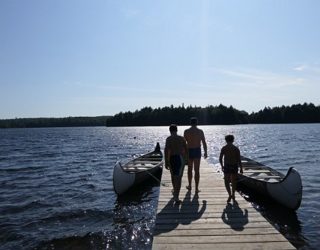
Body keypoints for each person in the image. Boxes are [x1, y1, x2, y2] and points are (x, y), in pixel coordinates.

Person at [165, 124, 188, 203]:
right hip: (180, 158)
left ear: (170, 130)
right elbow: (186, 148)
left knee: (173, 175)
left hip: (171, 158)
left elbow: (166, 151)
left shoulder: (168, 139)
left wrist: (166, 162)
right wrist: (186, 159)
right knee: (179, 177)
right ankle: (176, 197)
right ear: (176, 130)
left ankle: (175, 191)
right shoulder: (181, 138)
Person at [184, 117, 207, 193]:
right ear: (197, 123)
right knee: (197, 170)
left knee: (189, 169)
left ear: (190, 123)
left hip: (189, 150)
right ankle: (196, 188)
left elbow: (184, 143)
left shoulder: (186, 131)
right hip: (197, 150)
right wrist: (205, 152)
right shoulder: (200, 131)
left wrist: (183, 153)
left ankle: (190, 185)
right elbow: (203, 142)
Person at [219, 134, 243, 202]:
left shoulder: (224, 148)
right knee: (233, 181)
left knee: (226, 181)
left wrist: (222, 166)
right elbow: (239, 159)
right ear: (233, 140)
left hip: (227, 165)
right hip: (234, 165)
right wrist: (241, 168)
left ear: (226, 140)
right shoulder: (236, 148)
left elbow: (220, 158)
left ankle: (229, 194)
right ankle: (233, 194)